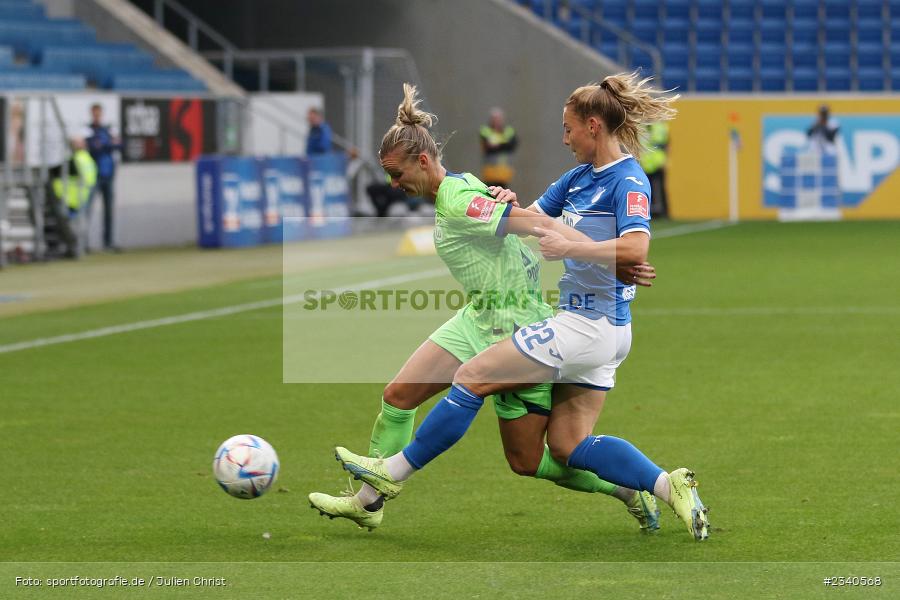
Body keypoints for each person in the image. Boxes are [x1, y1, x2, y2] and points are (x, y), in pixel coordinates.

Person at [332, 72, 711, 541]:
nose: (564, 137)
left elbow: (633, 249)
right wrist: (505, 201)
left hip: (586, 326)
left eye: (568, 127)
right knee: (568, 446)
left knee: (470, 378)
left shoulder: (629, 178)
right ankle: (665, 484)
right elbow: (532, 220)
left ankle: (392, 471)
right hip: (597, 329)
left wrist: (585, 251)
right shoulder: (576, 180)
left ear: (593, 126)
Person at [48, 138, 97, 258]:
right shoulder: (88, 159)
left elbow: (56, 171)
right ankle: (78, 248)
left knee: (67, 226)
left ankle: (73, 248)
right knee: (77, 225)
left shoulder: (76, 160)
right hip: (82, 198)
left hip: (70, 199)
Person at [85, 103, 121, 252]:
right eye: (95, 113)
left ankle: (108, 242)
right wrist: (108, 144)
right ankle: (83, 242)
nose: (97, 116)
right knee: (87, 210)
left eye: (99, 113)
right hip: (94, 175)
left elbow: (118, 144)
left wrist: (107, 144)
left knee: (108, 211)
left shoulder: (107, 130)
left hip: (109, 174)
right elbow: (94, 147)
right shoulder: (88, 130)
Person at [479, 107, 518, 187]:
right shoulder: (485, 130)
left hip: (504, 171)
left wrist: (497, 144)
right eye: (495, 119)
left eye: (499, 119)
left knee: (504, 193)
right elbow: (488, 147)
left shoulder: (508, 130)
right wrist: (504, 143)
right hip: (490, 170)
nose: (497, 121)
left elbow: (512, 145)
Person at [639, 121, 669, 218]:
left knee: (659, 188)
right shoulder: (640, 126)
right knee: (647, 189)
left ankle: (663, 212)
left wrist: (665, 160)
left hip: (657, 162)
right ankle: (648, 212)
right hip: (645, 163)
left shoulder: (660, 127)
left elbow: (666, 144)